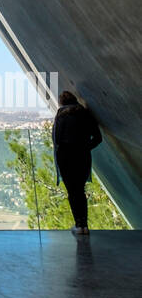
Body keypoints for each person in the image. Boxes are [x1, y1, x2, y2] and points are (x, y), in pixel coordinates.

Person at [53, 90, 102, 236]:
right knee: (80, 190)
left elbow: (57, 141)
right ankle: (84, 225)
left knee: (72, 192)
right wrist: (85, 148)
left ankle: (78, 225)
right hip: (82, 157)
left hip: (65, 158)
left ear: (61, 102)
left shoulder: (61, 116)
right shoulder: (85, 114)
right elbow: (98, 138)